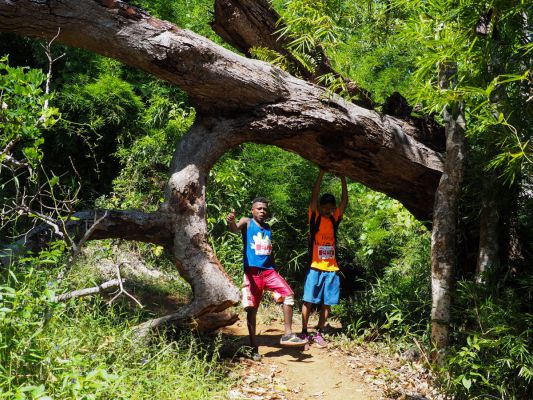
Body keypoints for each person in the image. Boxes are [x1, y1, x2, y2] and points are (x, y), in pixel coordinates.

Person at [226, 197, 307, 361]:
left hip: (269, 272)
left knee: (288, 294)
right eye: (259, 208)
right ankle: (253, 346)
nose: (262, 211)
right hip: (252, 274)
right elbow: (235, 230)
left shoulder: (268, 227)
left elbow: (270, 252)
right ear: (252, 210)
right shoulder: (247, 222)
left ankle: (287, 334)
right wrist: (231, 222)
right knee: (252, 310)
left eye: (265, 209)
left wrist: (275, 271)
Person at [301, 169, 348, 348]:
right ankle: (305, 332)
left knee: (327, 304)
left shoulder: (334, 219)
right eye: (325, 206)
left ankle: (319, 333)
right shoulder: (315, 218)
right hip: (315, 267)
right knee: (308, 300)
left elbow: (345, 201)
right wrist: (320, 173)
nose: (328, 209)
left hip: (332, 269)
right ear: (321, 206)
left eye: (331, 207)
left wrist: (343, 178)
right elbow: (314, 196)